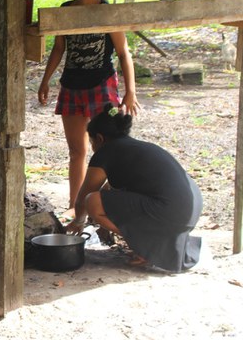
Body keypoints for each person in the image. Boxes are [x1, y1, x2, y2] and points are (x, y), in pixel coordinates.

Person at [37, 0, 140, 217]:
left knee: (106, 149)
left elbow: (123, 52)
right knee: (76, 151)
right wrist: (46, 80)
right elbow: (59, 48)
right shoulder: (66, 9)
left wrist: (130, 91)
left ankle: (106, 205)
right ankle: (75, 206)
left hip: (101, 84)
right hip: (72, 84)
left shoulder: (107, 12)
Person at [66, 104, 203, 272]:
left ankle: (148, 246)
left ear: (99, 138)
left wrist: (78, 221)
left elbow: (84, 197)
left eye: (92, 141)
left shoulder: (105, 152)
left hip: (170, 211)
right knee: (102, 197)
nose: (92, 147)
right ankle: (150, 243)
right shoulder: (135, 147)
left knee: (92, 202)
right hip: (190, 210)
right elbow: (110, 190)